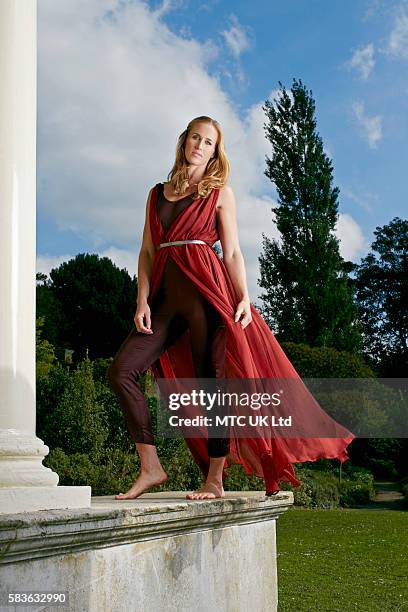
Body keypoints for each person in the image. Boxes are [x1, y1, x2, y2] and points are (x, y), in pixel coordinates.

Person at [107, 115, 355, 501]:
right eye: (195, 137)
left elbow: (234, 251)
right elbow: (147, 251)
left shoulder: (220, 192)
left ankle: (215, 479)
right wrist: (141, 298)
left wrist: (243, 295)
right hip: (164, 300)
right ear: (183, 141)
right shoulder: (156, 194)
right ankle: (151, 467)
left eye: (208, 142)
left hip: (209, 292)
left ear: (215, 152)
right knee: (122, 370)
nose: (199, 145)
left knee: (213, 385)